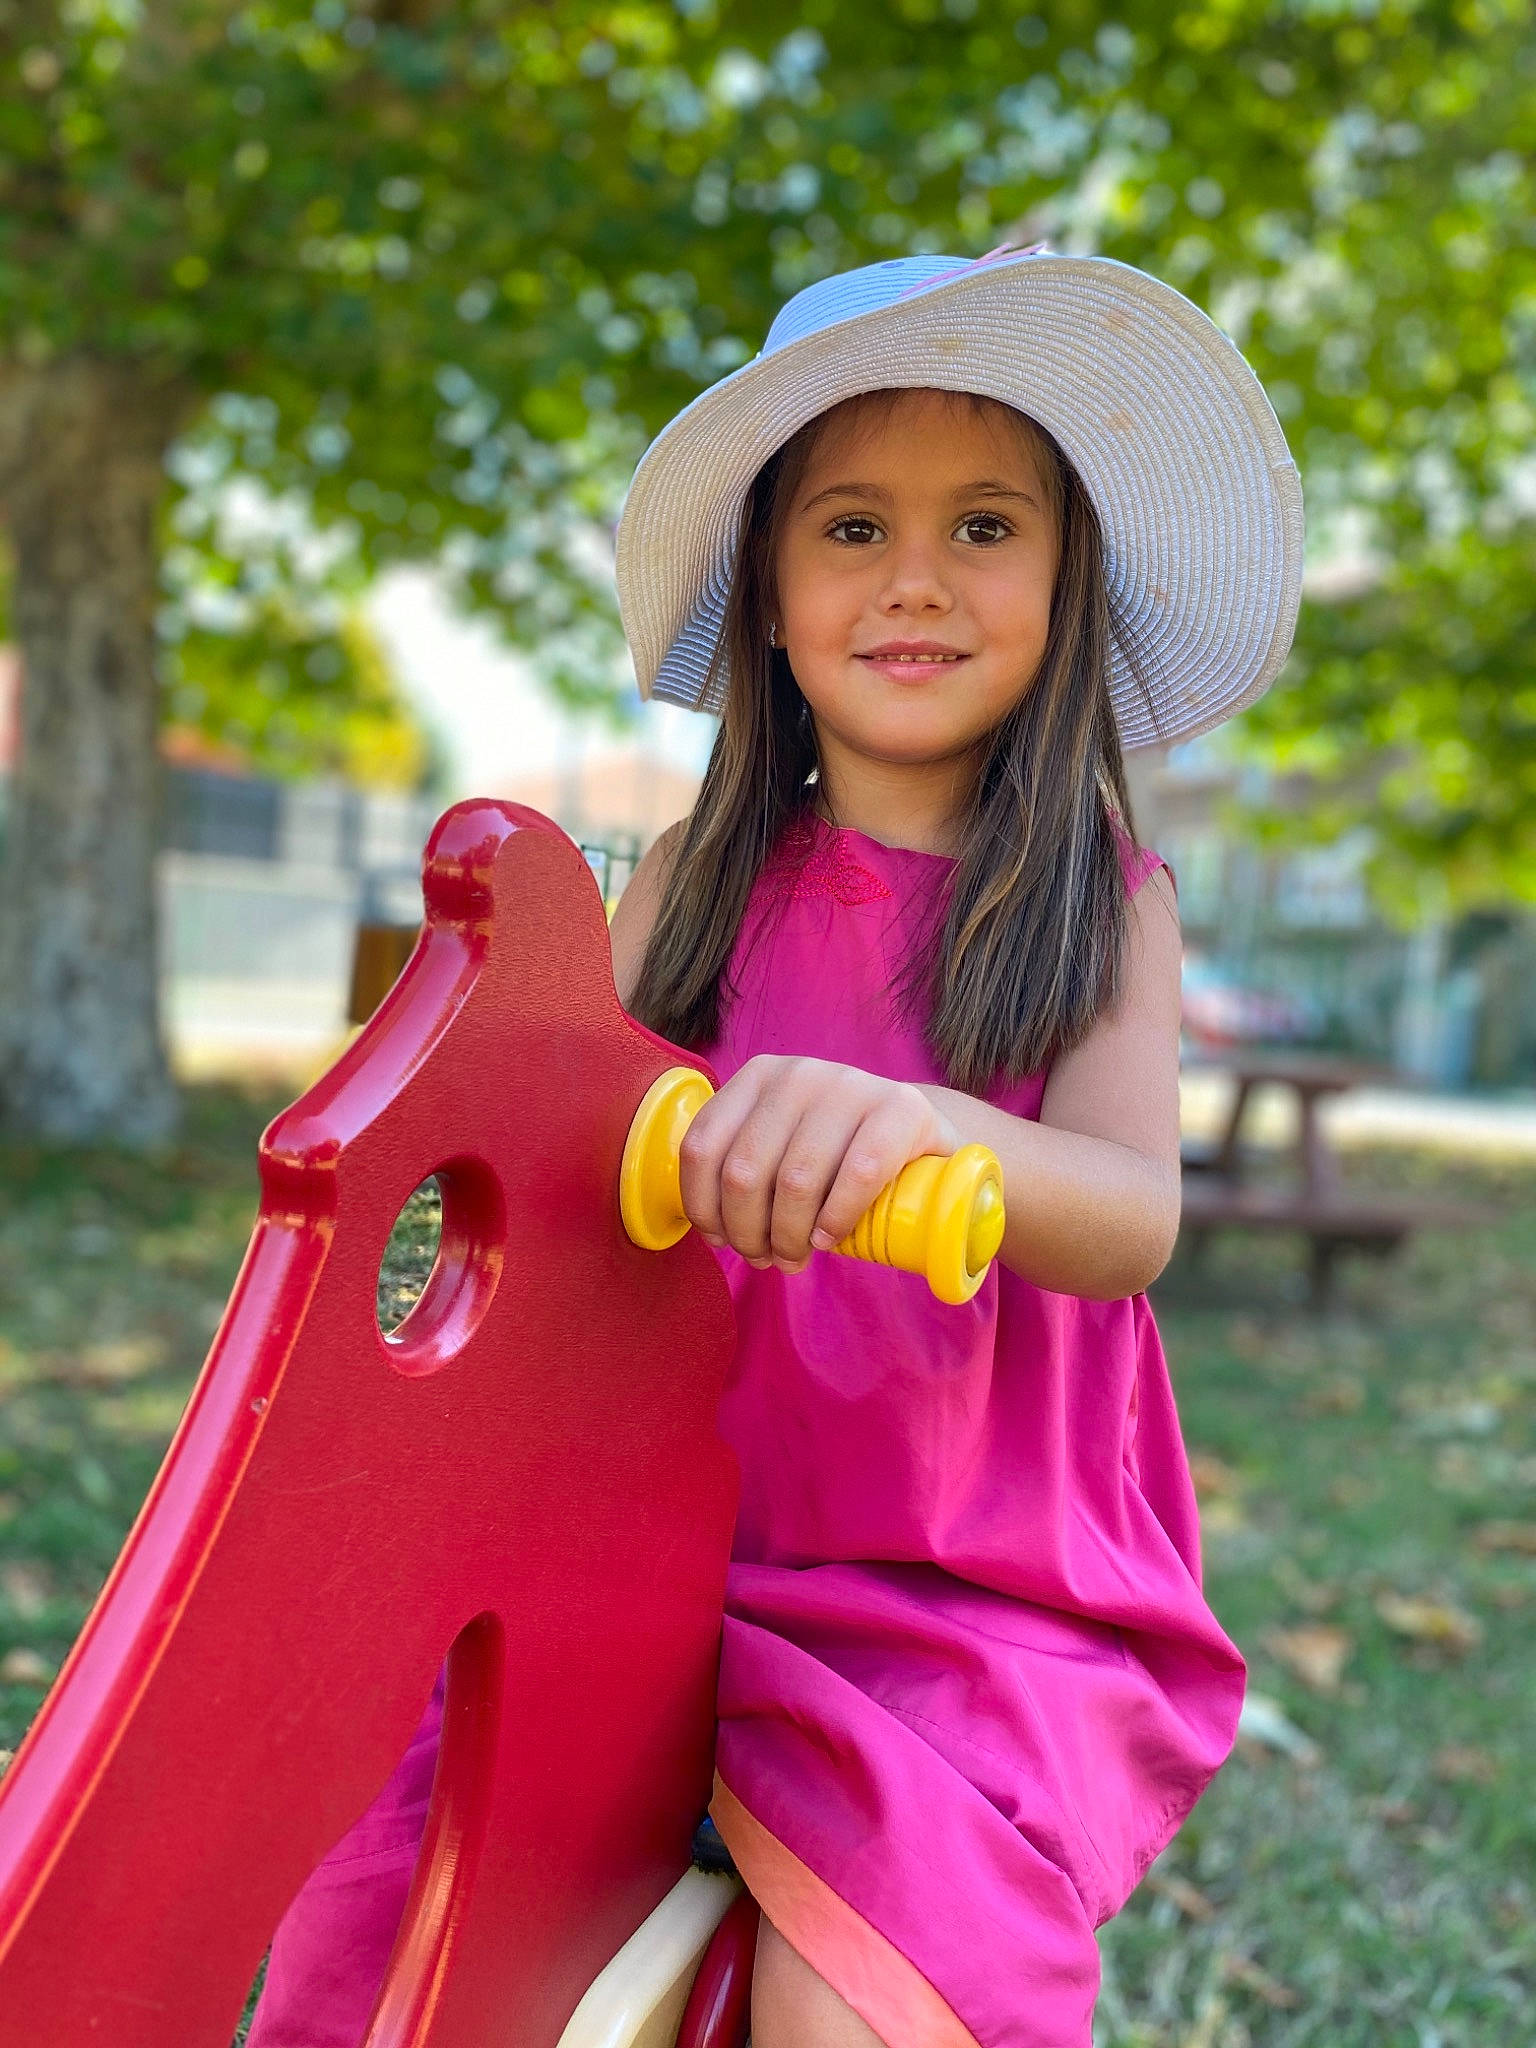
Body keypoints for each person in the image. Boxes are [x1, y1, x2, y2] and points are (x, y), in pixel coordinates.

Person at [249, 246, 1302, 2048]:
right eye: (851, 528)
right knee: (388, 1900)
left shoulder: (1103, 899)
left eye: (985, 527)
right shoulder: (690, 881)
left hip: (961, 1592)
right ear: (767, 593)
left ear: (1066, 585)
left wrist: (929, 1131)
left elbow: (1132, 1217)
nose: (916, 577)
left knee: (860, 1995)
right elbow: (559, 1179)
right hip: (660, 1541)